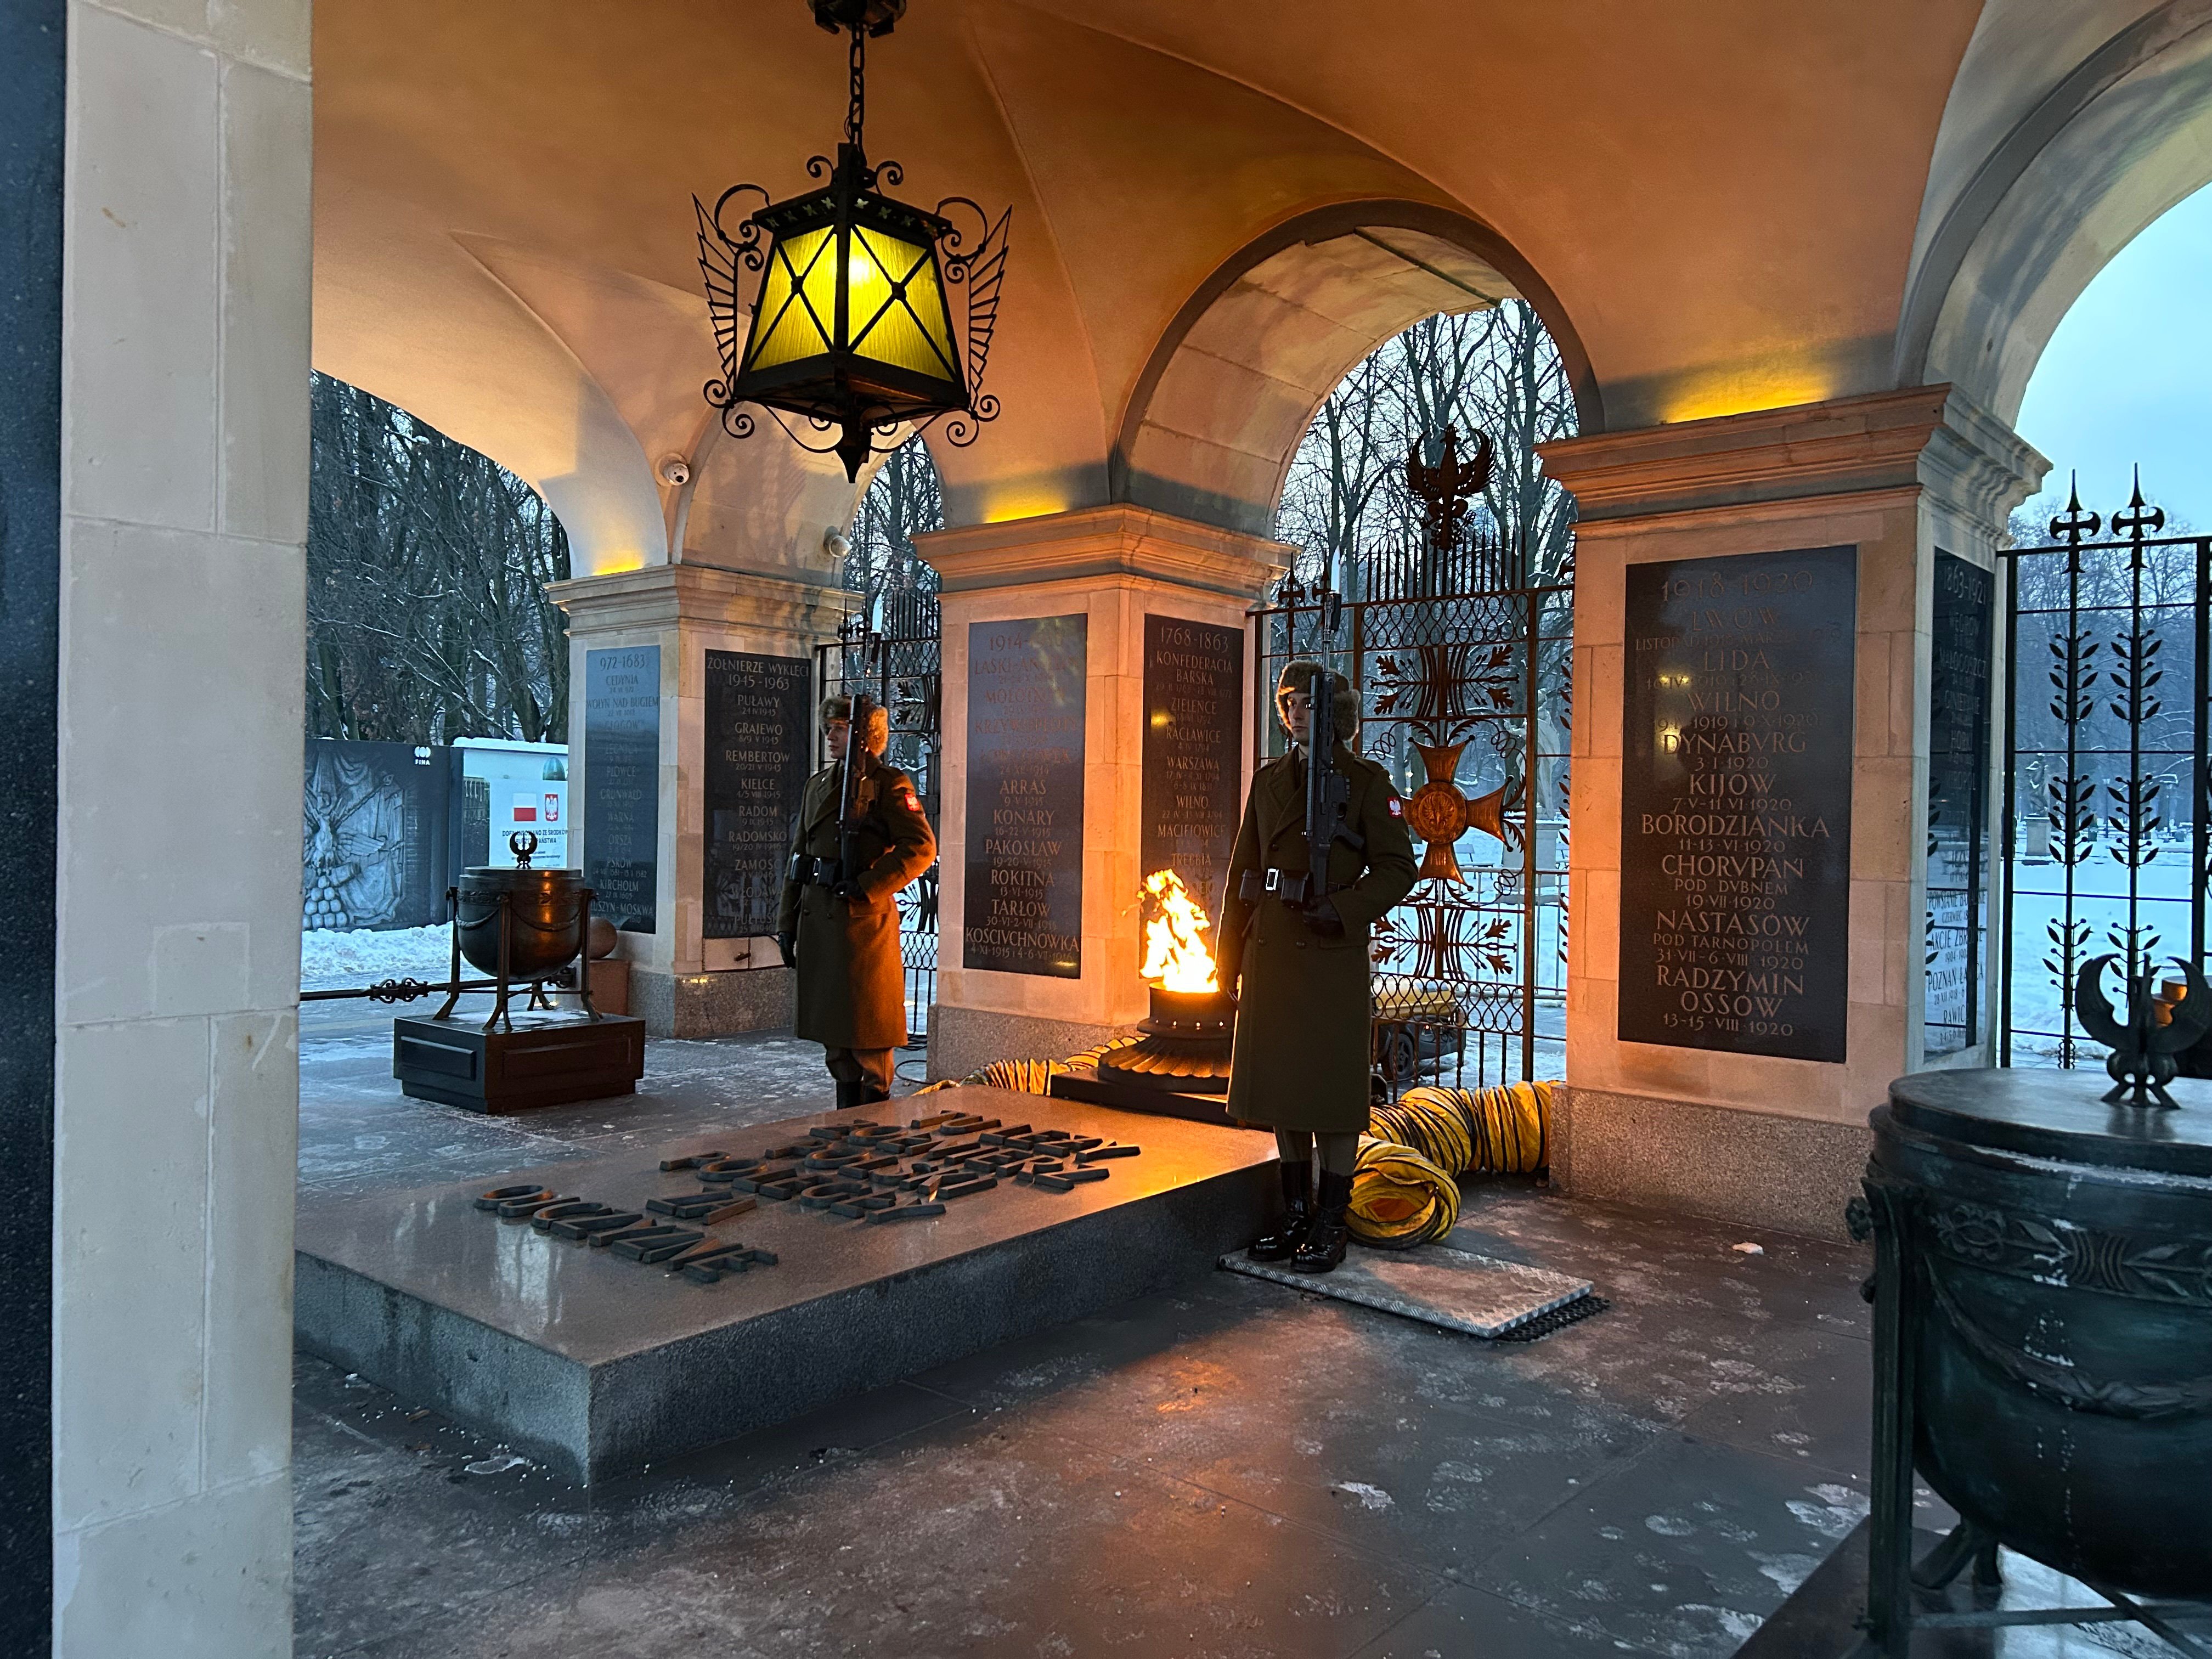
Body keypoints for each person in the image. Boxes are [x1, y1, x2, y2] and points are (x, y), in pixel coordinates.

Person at [1216, 661, 1417, 1272]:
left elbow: (1398, 868)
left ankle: (1331, 1219)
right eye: (1287, 703)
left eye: (1307, 702)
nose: (1295, 713)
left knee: (1330, 1094)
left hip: (1329, 956)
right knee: (1283, 1089)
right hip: (1273, 949)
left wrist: (1346, 908)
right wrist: (1226, 955)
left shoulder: (1367, 782)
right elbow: (1244, 870)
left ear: (1334, 712)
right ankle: (1296, 1212)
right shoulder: (1269, 780)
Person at [778, 693, 936, 1110]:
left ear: (866, 737)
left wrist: (868, 885)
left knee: (868, 1035)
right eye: (828, 728)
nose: (830, 736)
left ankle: (874, 1122)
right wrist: (786, 923)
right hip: (820, 920)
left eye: (840, 729)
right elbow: (799, 857)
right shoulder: (818, 785)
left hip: (861, 925)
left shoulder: (889, 785)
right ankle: (845, 1119)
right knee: (836, 1041)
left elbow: (921, 848)